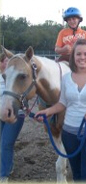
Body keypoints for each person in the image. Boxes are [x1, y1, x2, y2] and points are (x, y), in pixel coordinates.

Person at [35, 39, 86, 181]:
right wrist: (47, 112)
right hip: (69, 133)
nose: (82, 58)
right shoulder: (66, 78)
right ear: (73, 57)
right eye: (78, 54)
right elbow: (62, 103)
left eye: (85, 54)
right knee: (76, 174)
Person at [0, 53, 25, 182]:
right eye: (5, 61)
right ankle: (8, 167)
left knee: (6, 143)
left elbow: (23, 94)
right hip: (1, 114)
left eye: (8, 60)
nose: (7, 63)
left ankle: (3, 175)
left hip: (15, 114)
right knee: (2, 143)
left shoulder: (14, 77)